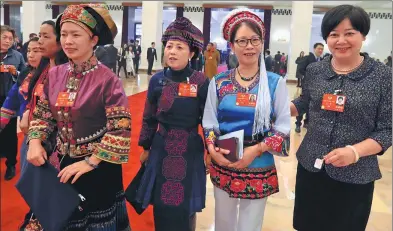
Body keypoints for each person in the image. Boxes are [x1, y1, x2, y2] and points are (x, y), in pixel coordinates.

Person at [27, 4, 131, 230]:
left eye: (76, 34)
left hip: (99, 167)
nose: (68, 41)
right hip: (61, 163)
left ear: (93, 40)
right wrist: (35, 141)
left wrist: (91, 162)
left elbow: (120, 128)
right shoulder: (54, 74)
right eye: (64, 34)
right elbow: (43, 115)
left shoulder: (107, 79)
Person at [290, 5, 392, 231]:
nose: (341, 40)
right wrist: (276, 108)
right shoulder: (317, 71)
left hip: (355, 174)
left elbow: (387, 129)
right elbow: (304, 102)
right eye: (334, 34)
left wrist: (354, 152)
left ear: (363, 35)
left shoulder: (383, 76)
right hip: (311, 166)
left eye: (349, 33)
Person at [202, 9, 290, 231]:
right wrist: (212, 149)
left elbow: (283, 127)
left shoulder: (274, 83)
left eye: (254, 40)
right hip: (225, 160)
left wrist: (256, 149)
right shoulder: (220, 82)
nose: (249, 46)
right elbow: (210, 120)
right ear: (232, 45)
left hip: (258, 163)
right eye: (242, 41)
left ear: (261, 44)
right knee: (223, 221)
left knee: (251, 224)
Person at [135, 16, 208, 231]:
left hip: (190, 149)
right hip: (162, 147)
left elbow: (209, 119)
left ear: (192, 53)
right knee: (162, 202)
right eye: (169, 46)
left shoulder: (201, 81)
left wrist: (211, 150)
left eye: (179, 47)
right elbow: (149, 116)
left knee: (186, 206)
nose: (172, 52)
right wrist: (146, 147)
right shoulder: (157, 80)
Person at [19, 19, 69, 231]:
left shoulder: (67, 72)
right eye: (39, 35)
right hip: (34, 138)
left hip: (57, 142)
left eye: (46, 36)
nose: (40, 41)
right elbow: (30, 99)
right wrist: (27, 113)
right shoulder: (41, 69)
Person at [0, 37, 42, 171]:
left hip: (46, 133)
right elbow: (12, 98)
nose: (30, 54)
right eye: (29, 50)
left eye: (36, 50)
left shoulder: (55, 73)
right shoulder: (26, 73)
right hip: (27, 130)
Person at [0, 25, 26, 180]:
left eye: (10, 38)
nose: (8, 41)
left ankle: (11, 164)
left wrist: (14, 72)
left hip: (9, 101)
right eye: (4, 37)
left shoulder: (17, 56)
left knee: (10, 134)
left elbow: (24, 76)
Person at [295, 42, 324, 133]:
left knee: (313, 104)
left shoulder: (322, 60)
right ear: (314, 49)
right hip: (307, 86)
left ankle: (307, 122)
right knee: (304, 103)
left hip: (317, 87)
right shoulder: (308, 58)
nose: (320, 50)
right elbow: (300, 69)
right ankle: (298, 123)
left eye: (322, 49)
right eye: (319, 48)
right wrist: (306, 77)